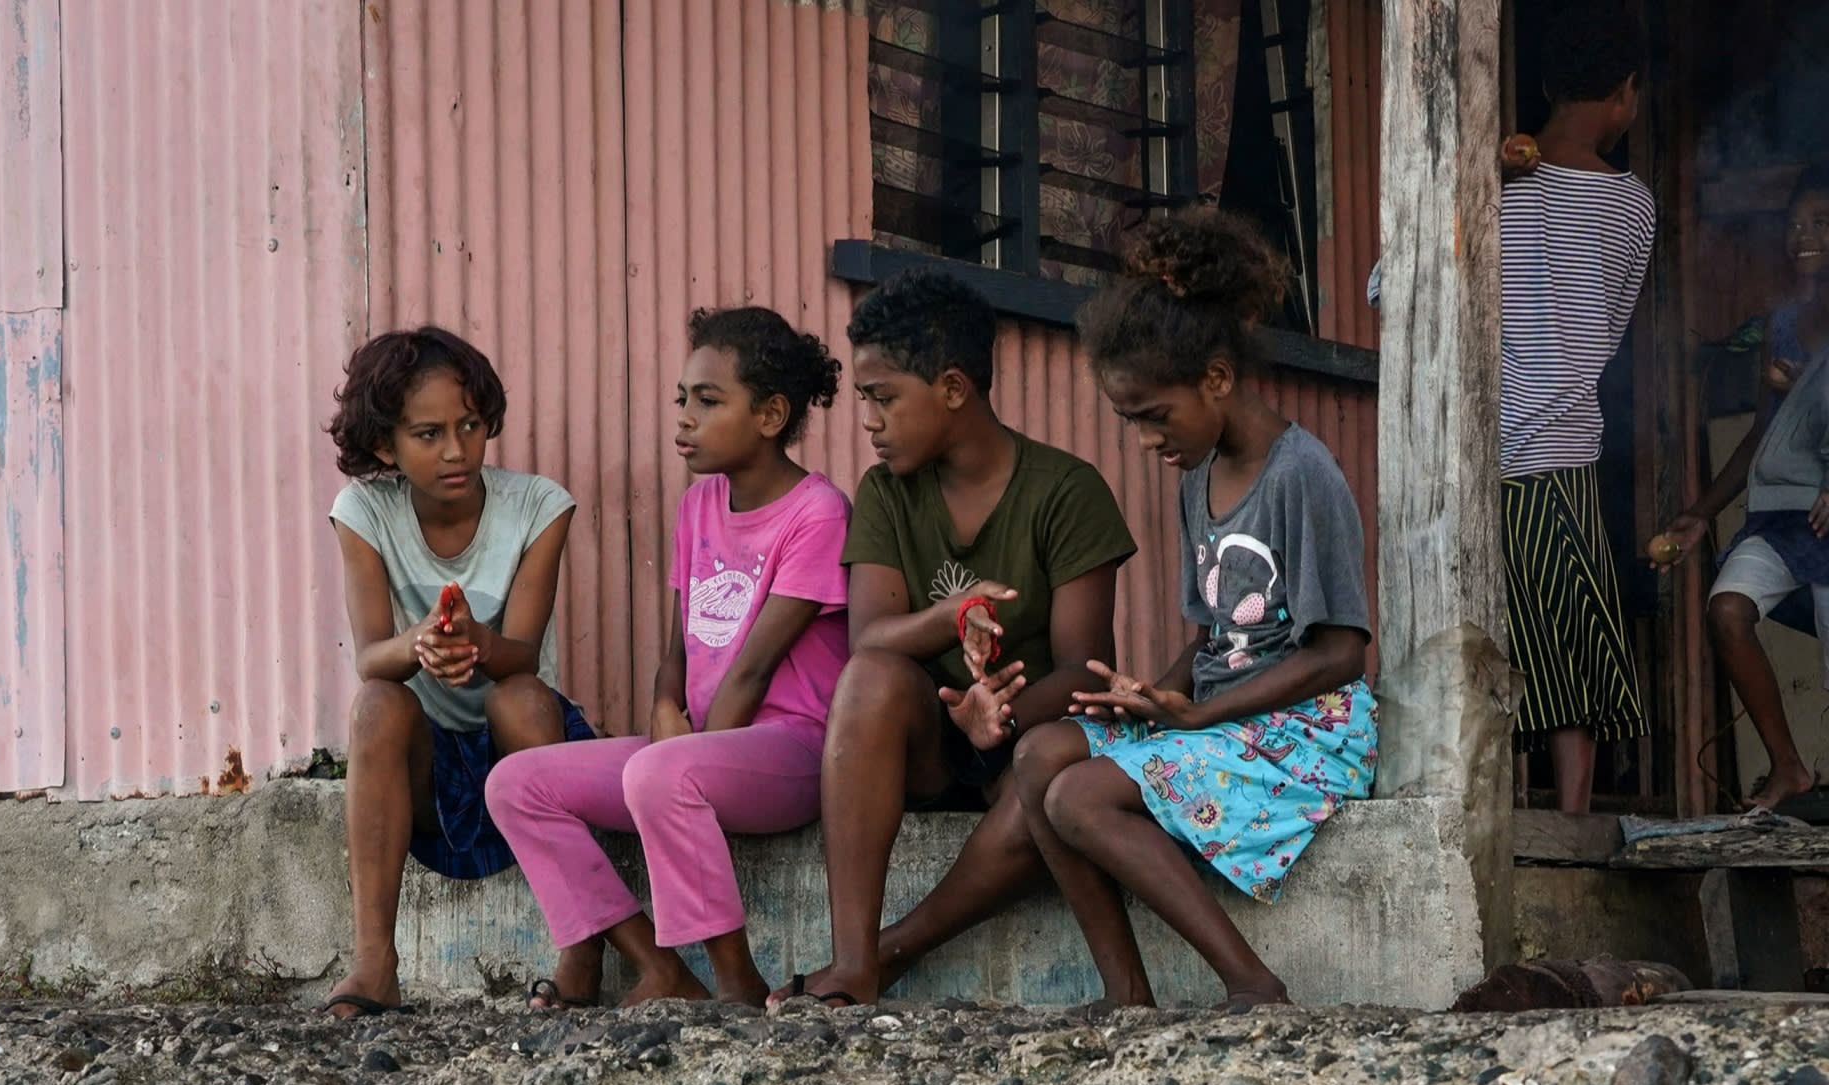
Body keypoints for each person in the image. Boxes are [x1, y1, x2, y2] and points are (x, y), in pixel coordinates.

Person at [1004, 206, 1374, 1010]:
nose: (1144, 439)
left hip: (1307, 729)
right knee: (1040, 754)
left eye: (1153, 415)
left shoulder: (1300, 475)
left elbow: (1343, 652)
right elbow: (1213, 635)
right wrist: (1154, 698)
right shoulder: (1196, 479)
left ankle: (1252, 984)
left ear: (1216, 378)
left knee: (1080, 794)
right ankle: (1125, 992)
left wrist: (1201, 718)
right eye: (1128, 420)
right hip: (1225, 714)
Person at [769, 270, 1137, 1008]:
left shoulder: (1066, 491)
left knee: (1046, 777)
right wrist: (949, 619)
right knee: (870, 675)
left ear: (953, 388)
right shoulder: (887, 492)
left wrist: (996, 721)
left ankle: (887, 956)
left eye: (884, 397)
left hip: (1021, 738)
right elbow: (871, 636)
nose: (867, 421)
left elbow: (1086, 669)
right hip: (926, 739)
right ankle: (852, 954)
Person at [481, 308, 852, 1008]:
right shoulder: (699, 505)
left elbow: (753, 667)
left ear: (771, 414)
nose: (684, 416)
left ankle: (737, 980)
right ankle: (660, 965)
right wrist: (662, 710)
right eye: (682, 398)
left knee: (661, 770)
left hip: (793, 752)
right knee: (516, 784)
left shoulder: (818, 513)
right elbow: (677, 649)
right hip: (692, 751)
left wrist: (682, 751)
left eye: (708, 401)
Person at [321, 327, 595, 1018]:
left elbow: (523, 651)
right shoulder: (365, 512)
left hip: (521, 749)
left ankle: (583, 948)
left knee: (521, 699)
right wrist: (420, 644)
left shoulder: (538, 506)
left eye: (470, 426)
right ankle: (375, 965)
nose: (455, 450)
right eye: (428, 433)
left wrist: (475, 642)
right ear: (385, 446)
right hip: (427, 770)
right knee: (378, 705)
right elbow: (370, 657)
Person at [1653, 161, 1829, 819]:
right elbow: (1763, 436)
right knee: (1727, 611)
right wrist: (1701, 513)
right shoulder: (1784, 322)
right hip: (1777, 513)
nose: (1803, 235)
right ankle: (1790, 765)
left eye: (1821, 222)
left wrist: (1817, 404)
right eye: (1795, 224)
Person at [1499, 19, 1658, 816]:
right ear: (1625, 93)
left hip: (1472, 450)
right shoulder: (1632, 206)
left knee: (1499, 631)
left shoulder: (1487, 183)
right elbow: (1612, 330)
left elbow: (1390, 285)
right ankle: (1571, 817)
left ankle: (1498, 805)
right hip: (1564, 443)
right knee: (1576, 635)